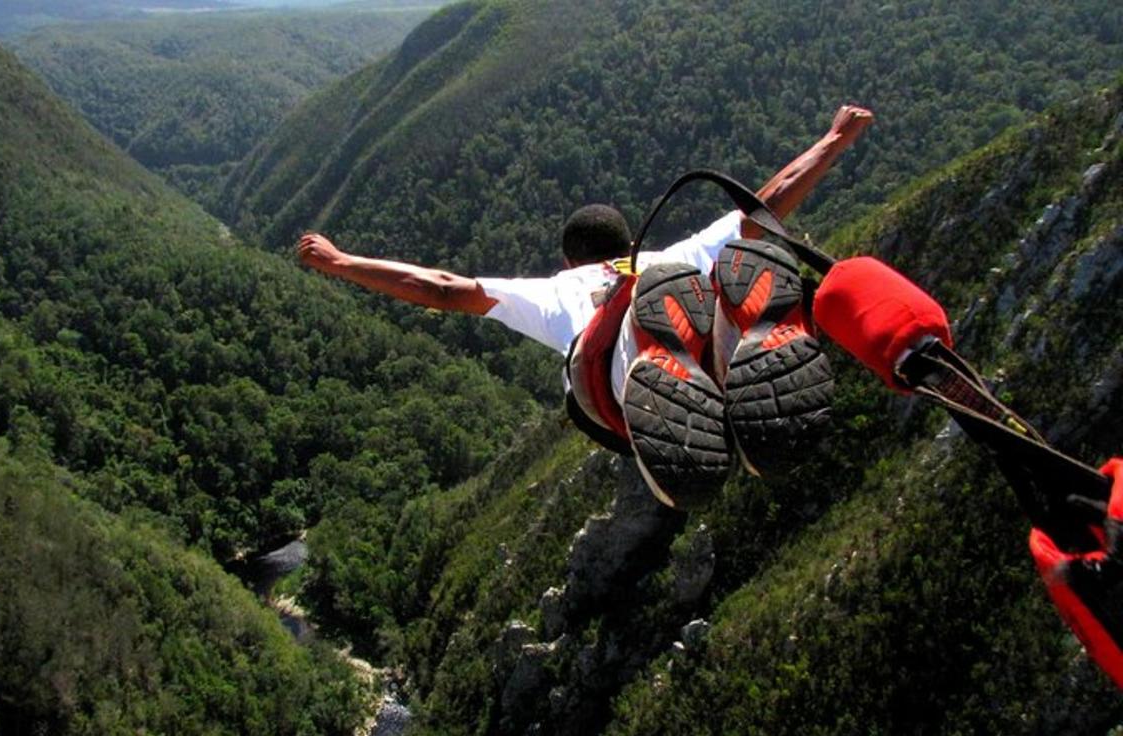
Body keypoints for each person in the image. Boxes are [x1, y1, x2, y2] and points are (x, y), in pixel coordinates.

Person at [298, 105, 874, 507]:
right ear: (629, 245)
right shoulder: (670, 256)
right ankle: (735, 349)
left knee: (599, 368)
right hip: (682, 303)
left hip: (625, 390)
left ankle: (655, 365)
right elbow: (767, 204)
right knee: (718, 273)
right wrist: (834, 139)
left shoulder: (558, 291)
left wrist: (341, 262)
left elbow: (443, 288)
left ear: (571, 260)